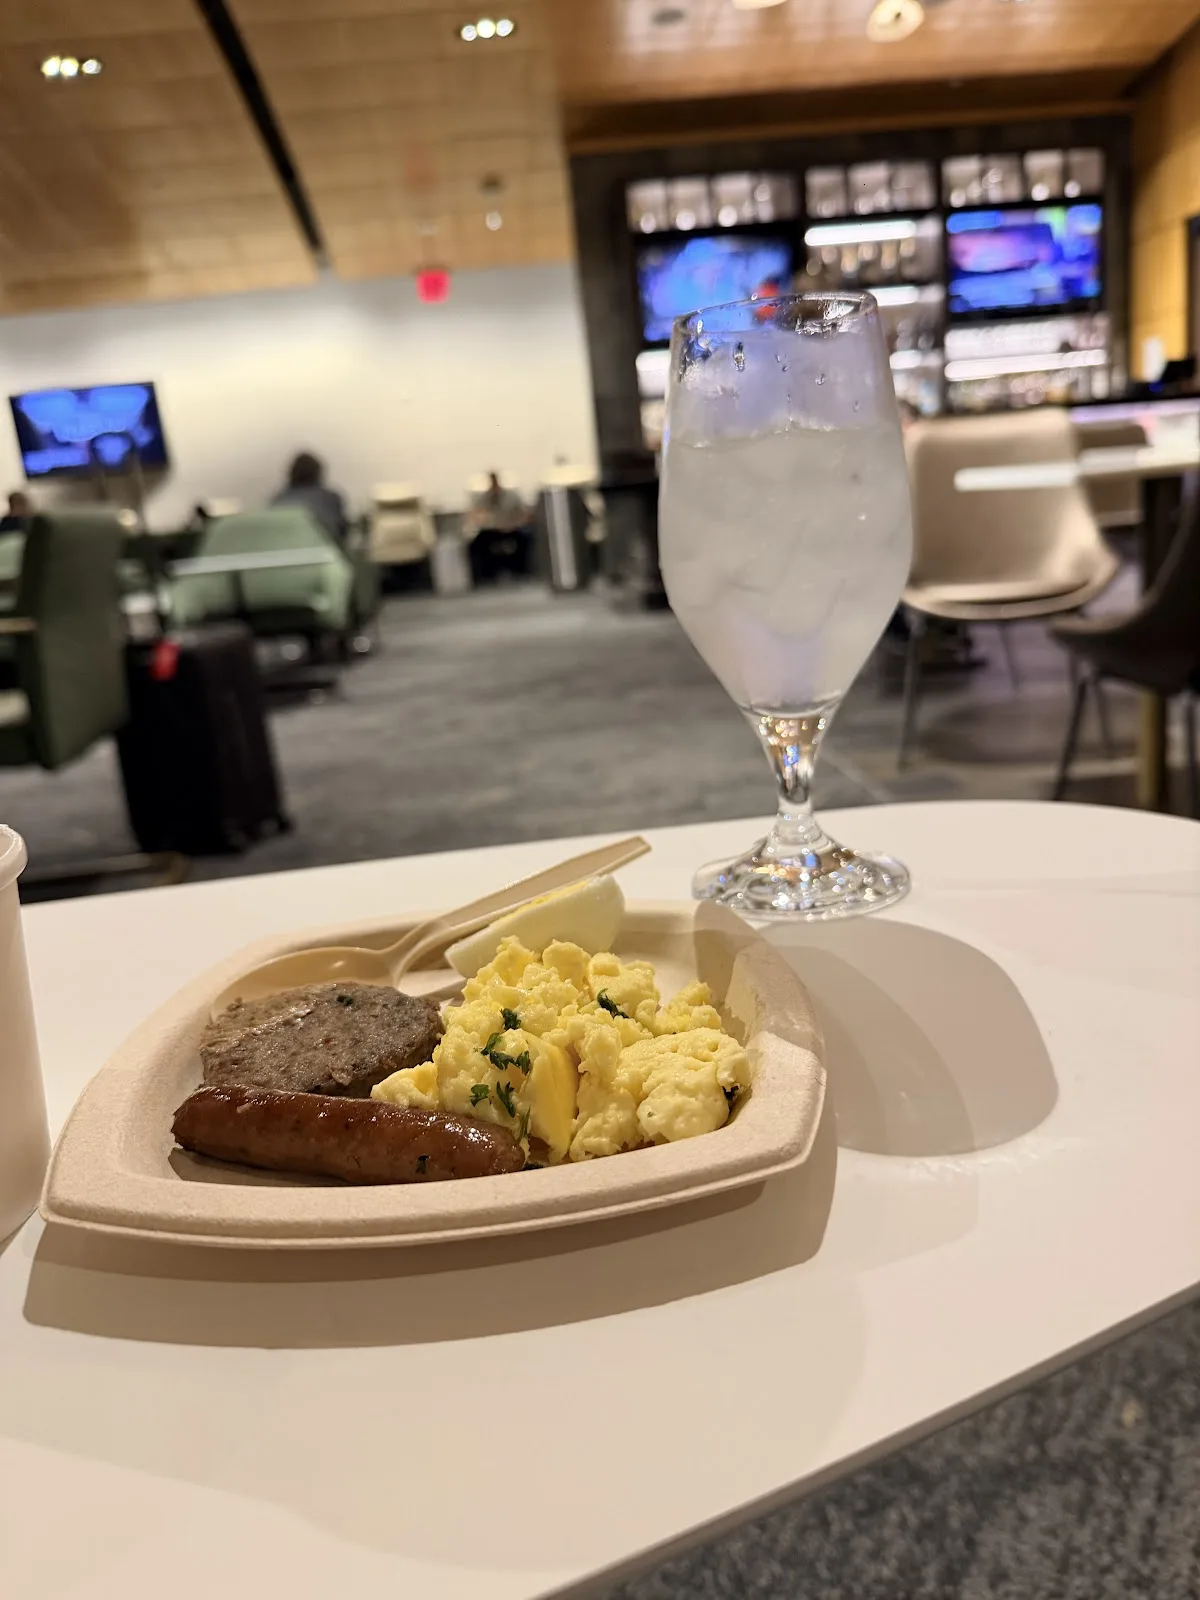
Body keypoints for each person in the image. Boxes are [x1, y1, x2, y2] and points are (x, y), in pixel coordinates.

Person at [462, 472, 532, 583]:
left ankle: (521, 570)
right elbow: (475, 515)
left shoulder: (511, 496)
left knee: (525, 539)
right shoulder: (483, 497)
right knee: (477, 545)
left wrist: (514, 524)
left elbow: (524, 514)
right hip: (491, 530)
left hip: (511, 528)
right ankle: (486, 573)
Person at [270, 452, 349, 545]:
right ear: (318, 473)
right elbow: (342, 531)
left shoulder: (278, 499)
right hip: (322, 549)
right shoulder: (331, 498)